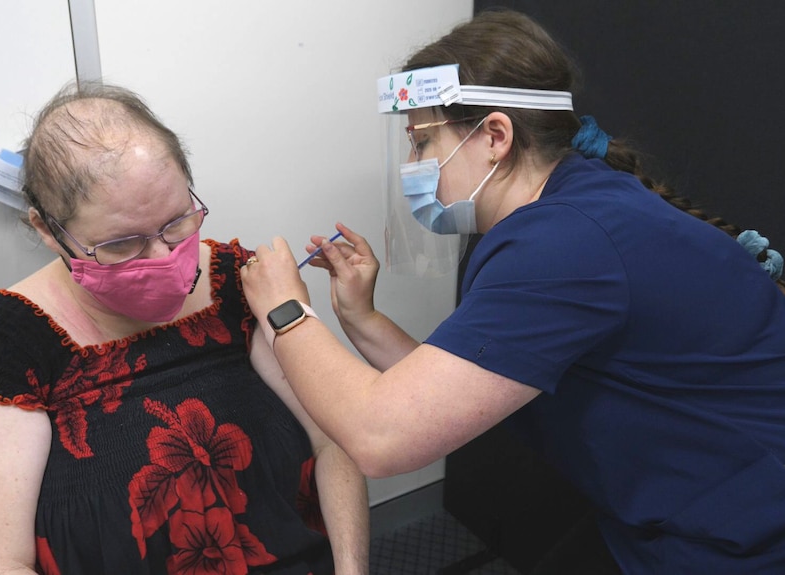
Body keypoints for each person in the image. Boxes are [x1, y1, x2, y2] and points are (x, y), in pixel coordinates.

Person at [239, 9, 785, 575]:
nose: (412, 167)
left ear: (495, 136)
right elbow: (456, 395)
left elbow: (383, 439)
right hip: (677, 505)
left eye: (423, 143)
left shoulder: (564, 244)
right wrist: (360, 316)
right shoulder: (565, 211)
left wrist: (286, 311)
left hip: (745, 532)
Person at [0, 83, 368, 575]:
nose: (164, 259)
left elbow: (333, 440)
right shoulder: (6, 347)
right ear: (47, 230)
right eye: (122, 244)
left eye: (178, 222)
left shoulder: (242, 284)